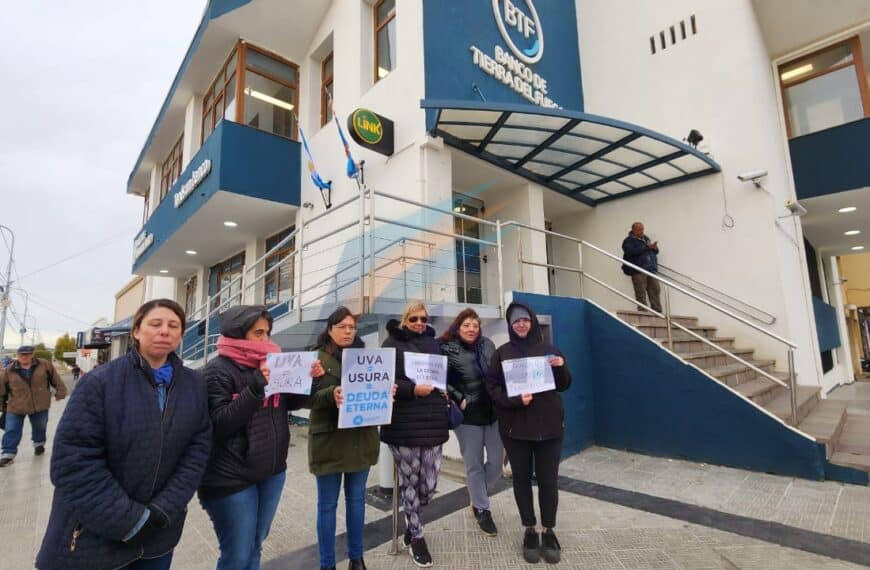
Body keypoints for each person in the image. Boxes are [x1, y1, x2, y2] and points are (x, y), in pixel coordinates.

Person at [35, 299, 211, 570]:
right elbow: (73, 464)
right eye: (155, 323)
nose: (164, 330)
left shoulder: (194, 384)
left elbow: (197, 450)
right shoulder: (99, 383)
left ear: (180, 335)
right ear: (136, 332)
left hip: (160, 534)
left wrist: (163, 510)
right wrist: (131, 520)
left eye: (173, 325)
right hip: (96, 535)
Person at [198, 305, 324, 570]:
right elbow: (218, 424)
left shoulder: (271, 362)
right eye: (258, 333)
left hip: (272, 471)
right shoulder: (217, 370)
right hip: (230, 477)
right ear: (238, 333)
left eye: (267, 332)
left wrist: (312, 382)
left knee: (255, 545)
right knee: (237, 554)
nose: (266, 339)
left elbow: (290, 403)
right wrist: (256, 387)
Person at [309, 307, 396, 570]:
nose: (348, 331)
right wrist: (329, 395)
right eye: (342, 326)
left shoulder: (368, 358)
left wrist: (385, 390)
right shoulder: (317, 359)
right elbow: (304, 399)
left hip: (360, 439)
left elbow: (375, 388)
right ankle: (327, 564)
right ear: (330, 328)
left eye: (352, 327)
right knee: (327, 506)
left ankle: (357, 559)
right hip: (329, 442)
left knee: (356, 502)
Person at [487, 302, 572, 564]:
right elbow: (492, 389)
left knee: (548, 481)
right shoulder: (502, 353)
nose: (521, 324)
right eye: (516, 321)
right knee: (521, 480)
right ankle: (529, 530)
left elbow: (564, 384)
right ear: (510, 326)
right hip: (516, 430)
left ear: (532, 322)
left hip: (549, 429)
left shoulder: (549, 349)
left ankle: (548, 530)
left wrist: (561, 366)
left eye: (525, 320)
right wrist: (515, 401)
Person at [380, 301, 448, 568]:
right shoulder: (391, 345)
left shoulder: (434, 344)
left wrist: (443, 388)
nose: (420, 323)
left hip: (432, 422)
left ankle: (412, 521)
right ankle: (417, 537)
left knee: (428, 486)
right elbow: (383, 381)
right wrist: (411, 390)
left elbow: (442, 376)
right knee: (410, 481)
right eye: (414, 319)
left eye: (423, 319)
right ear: (404, 319)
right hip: (403, 424)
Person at [439, 308, 501, 537]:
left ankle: (476, 498)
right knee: (474, 465)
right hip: (467, 418)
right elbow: (440, 379)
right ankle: (482, 510)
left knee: (496, 463)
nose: (472, 329)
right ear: (458, 326)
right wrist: (458, 397)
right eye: (467, 325)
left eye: (475, 325)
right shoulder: (446, 347)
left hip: (492, 413)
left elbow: (497, 373)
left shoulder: (488, 344)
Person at [0, 344, 67, 467]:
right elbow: (2, 388)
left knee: (39, 427)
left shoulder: (44, 365)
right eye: (21, 354)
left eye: (27, 354)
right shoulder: (9, 369)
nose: (24, 357)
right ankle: (8, 454)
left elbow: (55, 379)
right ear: (17, 356)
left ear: (32, 355)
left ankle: (39, 444)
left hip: (39, 403)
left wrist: (61, 391)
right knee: (11, 429)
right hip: (16, 405)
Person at [621, 221, 662, 312]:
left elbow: (654, 251)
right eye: (639, 229)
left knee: (655, 290)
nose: (642, 231)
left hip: (650, 269)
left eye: (642, 229)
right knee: (641, 292)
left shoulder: (646, 238)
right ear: (633, 230)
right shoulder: (628, 241)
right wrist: (647, 247)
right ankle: (643, 312)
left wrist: (654, 248)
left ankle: (657, 312)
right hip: (638, 270)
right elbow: (631, 252)